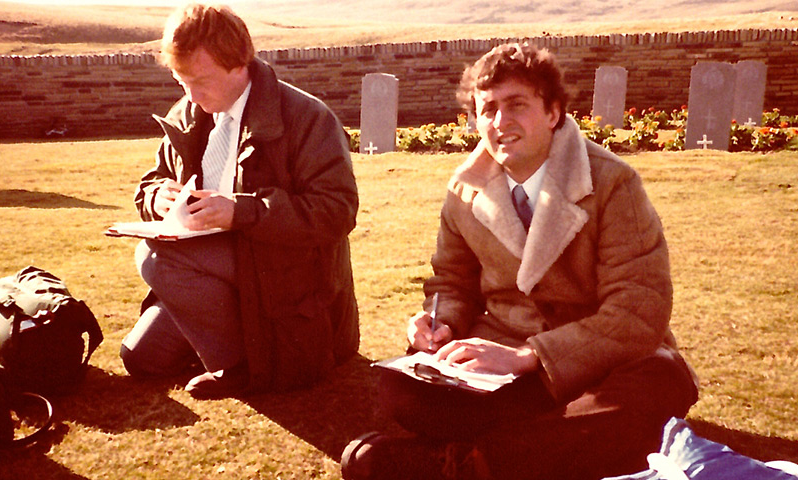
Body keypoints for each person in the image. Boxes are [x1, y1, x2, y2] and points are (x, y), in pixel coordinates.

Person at [341, 43, 698, 480]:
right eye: (487, 109)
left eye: (516, 105)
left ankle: (461, 464)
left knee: (662, 383)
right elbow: (452, 282)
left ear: (553, 113)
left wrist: (529, 357)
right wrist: (440, 323)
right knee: (402, 390)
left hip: (603, 364)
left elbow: (638, 313)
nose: (500, 122)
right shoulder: (463, 192)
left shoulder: (612, 183)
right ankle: (555, 445)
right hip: (504, 367)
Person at [119, 2, 360, 400]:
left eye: (200, 80)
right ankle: (227, 334)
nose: (192, 96)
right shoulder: (189, 112)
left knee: (154, 258)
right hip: (205, 271)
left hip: (281, 276)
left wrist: (241, 211)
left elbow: (337, 211)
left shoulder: (306, 117)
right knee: (141, 359)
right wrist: (156, 196)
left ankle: (239, 366)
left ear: (238, 63)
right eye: (181, 81)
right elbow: (153, 179)